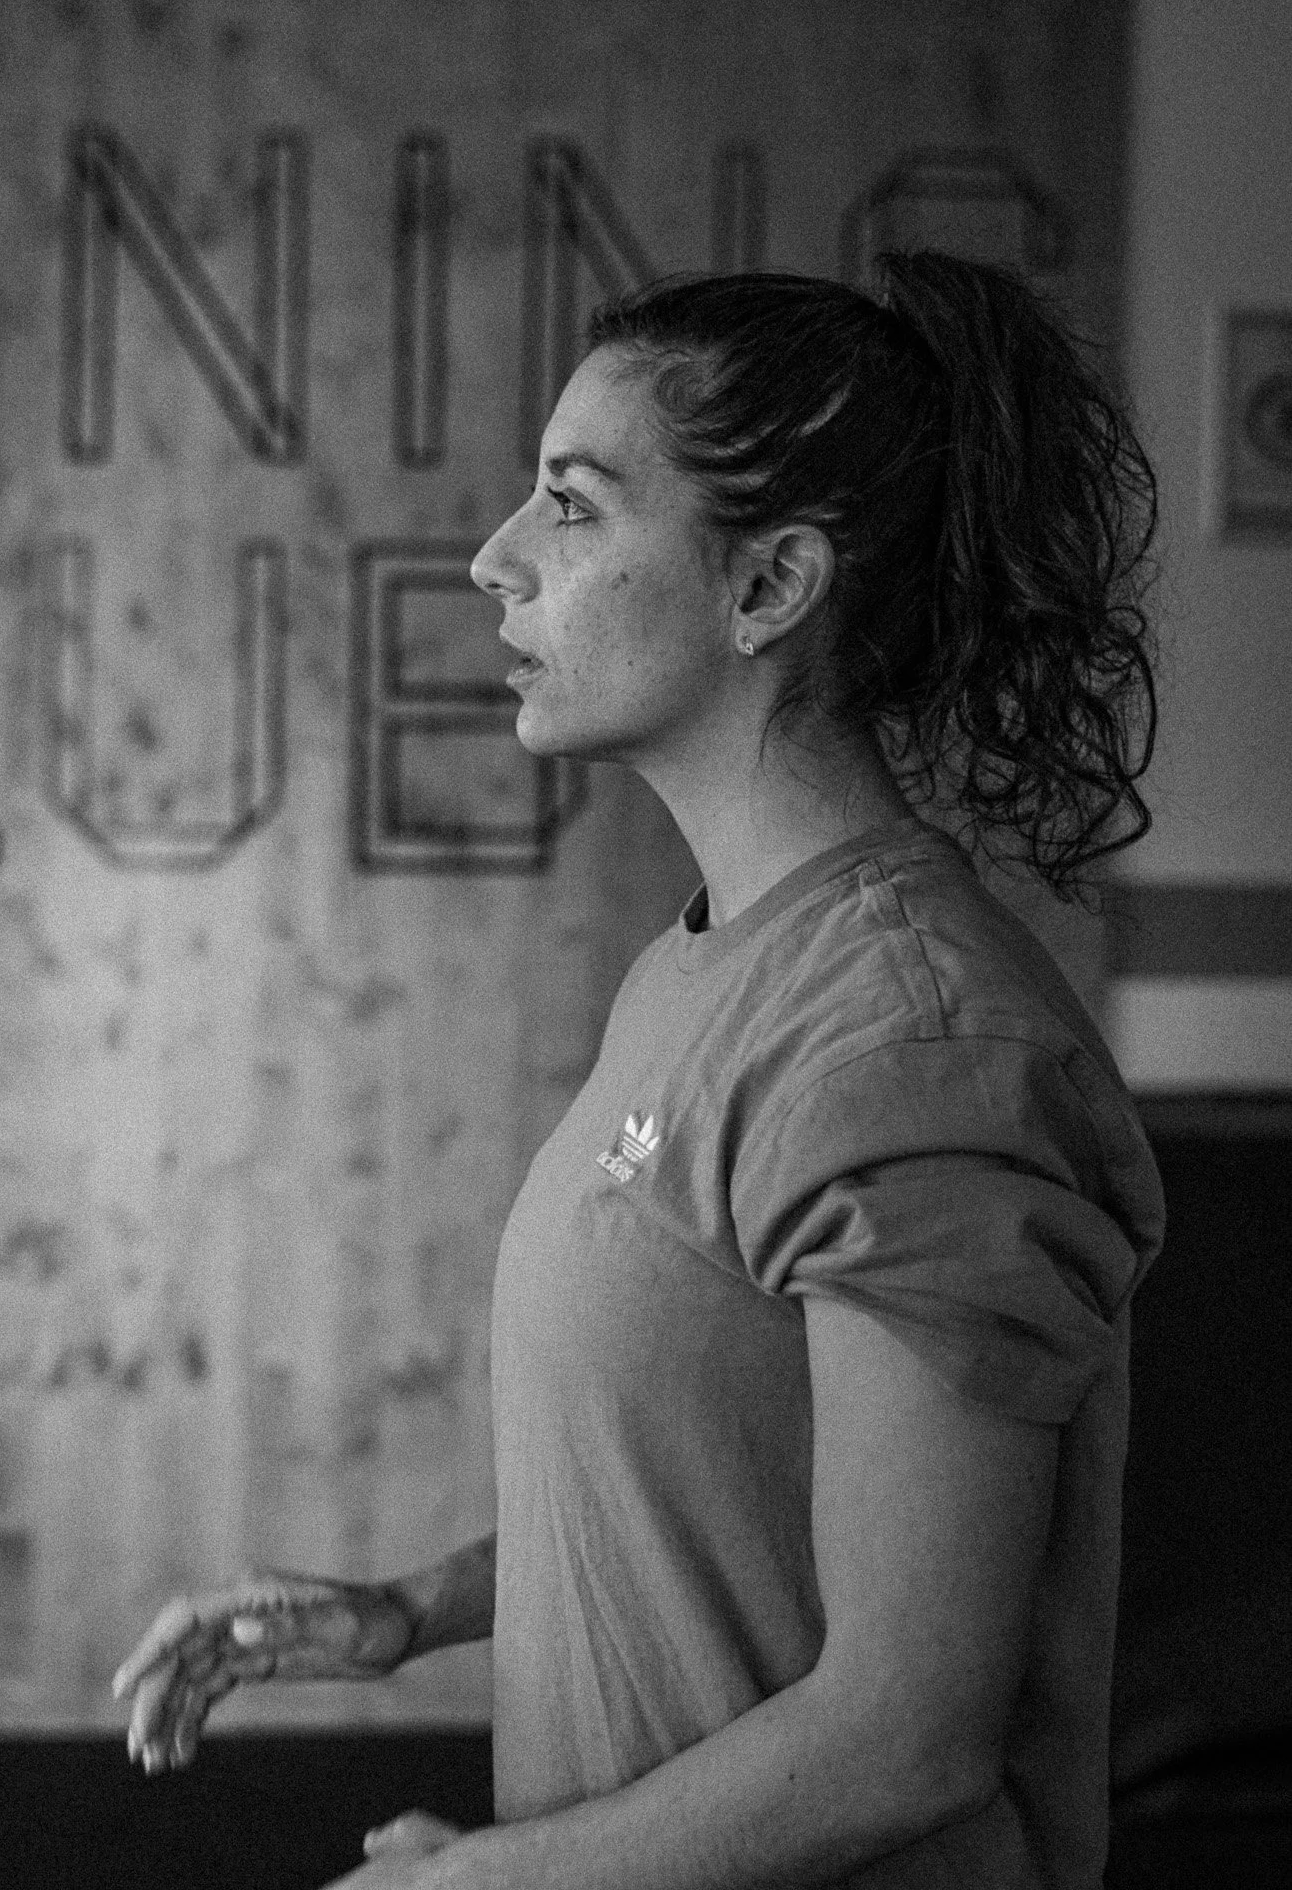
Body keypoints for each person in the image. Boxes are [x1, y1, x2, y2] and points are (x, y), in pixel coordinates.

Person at [113, 252, 1167, 1889]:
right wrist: (410, 1613)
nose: (496, 558)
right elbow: (722, 1483)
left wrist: (473, 1886)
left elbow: (908, 1734)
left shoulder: (915, 1043)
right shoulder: (701, 963)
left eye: (573, 505)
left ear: (770, 587)